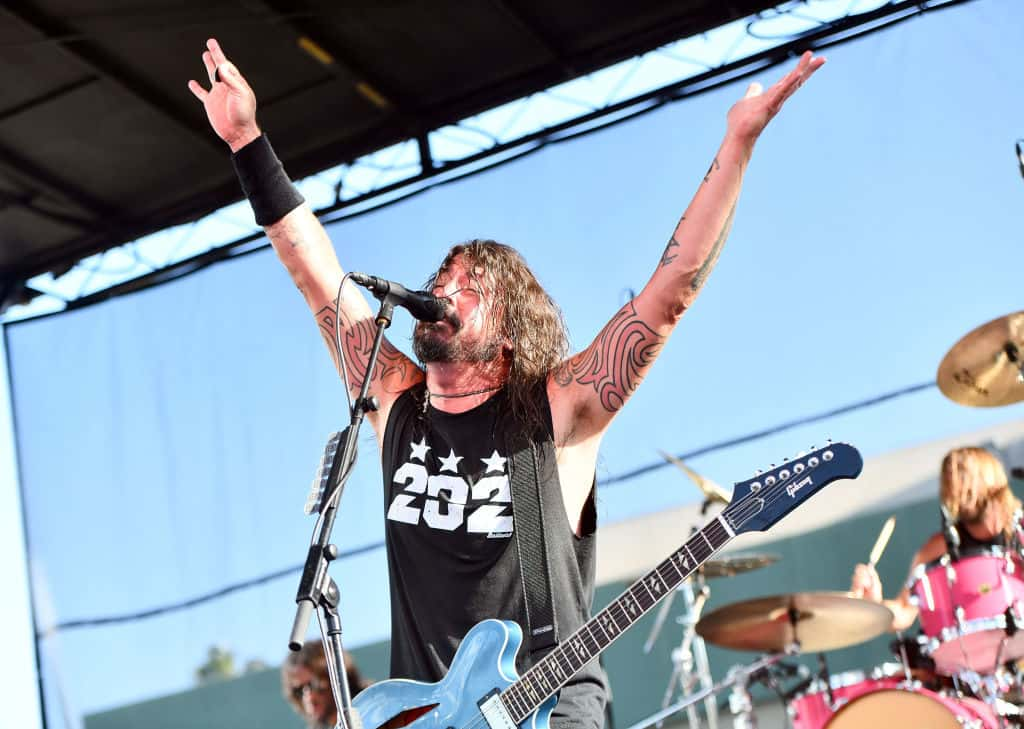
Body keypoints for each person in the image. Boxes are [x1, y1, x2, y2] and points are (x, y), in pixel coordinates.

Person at [189, 38, 824, 729]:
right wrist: (248, 141)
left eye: (470, 285)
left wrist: (735, 147)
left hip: (549, 713)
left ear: (511, 333)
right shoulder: (396, 402)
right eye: (441, 278)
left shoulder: (556, 412)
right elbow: (312, 268)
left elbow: (669, 294)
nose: (442, 289)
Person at [851, 446, 1022, 632]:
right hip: (975, 655)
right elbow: (903, 611)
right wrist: (875, 605)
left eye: (963, 475)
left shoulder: (1019, 527)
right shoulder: (938, 547)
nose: (956, 487)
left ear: (992, 480)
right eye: (950, 479)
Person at [281, 641, 371, 729]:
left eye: (314, 684)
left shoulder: (375, 710)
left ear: (336, 677)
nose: (309, 697)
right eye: (299, 690)